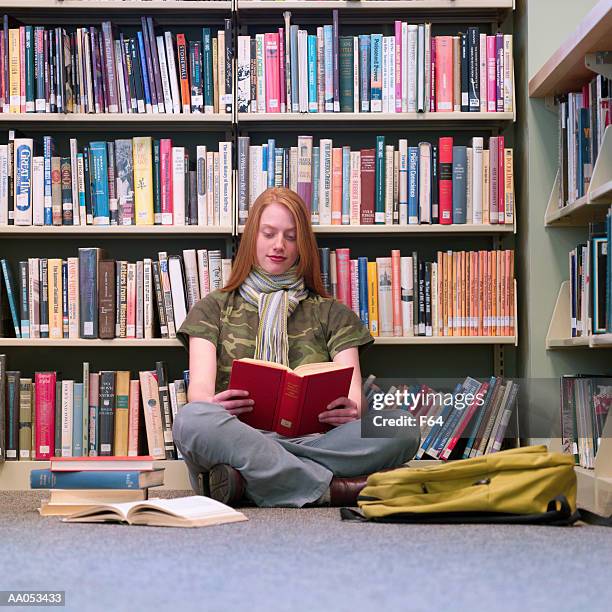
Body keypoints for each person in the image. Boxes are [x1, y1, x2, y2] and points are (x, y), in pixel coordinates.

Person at [172, 187, 419, 507]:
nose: (279, 245)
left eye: (290, 236)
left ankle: (251, 479)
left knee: (401, 427)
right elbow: (200, 393)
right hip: (237, 436)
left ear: (302, 244)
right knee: (192, 420)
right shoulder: (212, 308)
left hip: (318, 440)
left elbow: (355, 397)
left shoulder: (332, 313)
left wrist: (352, 410)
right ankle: (331, 488)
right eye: (269, 233)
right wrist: (216, 404)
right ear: (252, 238)